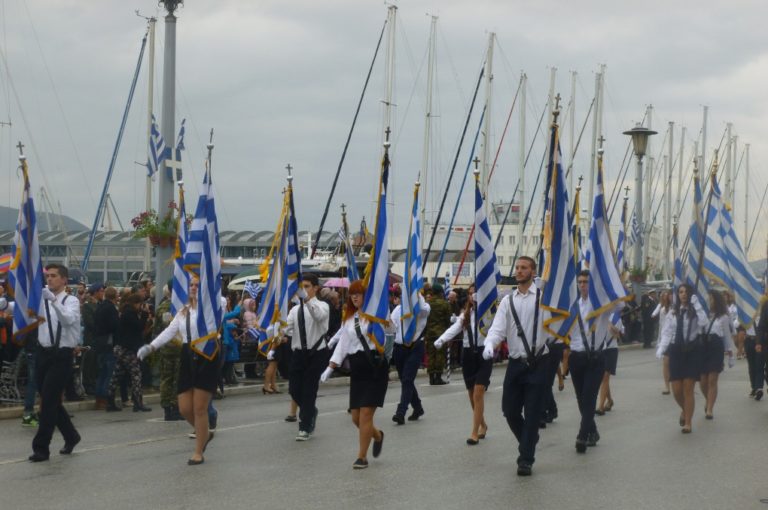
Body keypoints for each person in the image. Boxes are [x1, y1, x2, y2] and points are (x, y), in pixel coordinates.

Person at [138, 277, 218, 465]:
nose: (193, 288)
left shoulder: (212, 308)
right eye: (191, 284)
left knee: (199, 408)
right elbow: (169, 332)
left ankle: (198, 451)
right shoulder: (183, 311)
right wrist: (150, 347)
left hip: (206, 354)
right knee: (184, 408)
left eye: (197, 285)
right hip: (187, 354)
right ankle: (204, 433)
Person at [483, 256, 550, 476]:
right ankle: (528, 439)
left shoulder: (543, 299)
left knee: (532, 414)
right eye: (518, 268)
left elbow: (556, 326)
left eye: (524, 268)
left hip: (538, 363)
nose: (519, 271)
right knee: (509, 411)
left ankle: (526, 458)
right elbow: (497, 329)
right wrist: (490, 344)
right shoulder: (507, 301)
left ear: (533, 271)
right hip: (515, 363)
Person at [320, 280, 389, 469]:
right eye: (352, 294)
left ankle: (362, 456)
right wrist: (330, 367)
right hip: (357, 369)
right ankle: (377, 435)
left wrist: (387, 323)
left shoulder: (377, 315)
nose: (355, 297)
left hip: (374, 366)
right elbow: (343, 346)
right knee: (356, 418)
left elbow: (390, 332)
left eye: (359, 293)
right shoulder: (349, 319)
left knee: (366, 414)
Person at [29, 264, 82, 462]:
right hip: (43, 353)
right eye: (48, 276)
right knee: (50, 400)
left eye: (54, 276)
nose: (49, 279)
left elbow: (68, 320)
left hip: (61, 355)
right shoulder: (41, 300)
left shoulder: (72, 300)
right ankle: (71, 436)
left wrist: (54, 302)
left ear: (64, 280)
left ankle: (41, 448)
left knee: (48, 403)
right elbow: (26, 313)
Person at [568, 271, 620, 453]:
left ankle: (582, 436)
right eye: (580, 282)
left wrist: (608, 285)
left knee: (589, 398)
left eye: (586, 282)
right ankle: (593, 431)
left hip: (596, 357)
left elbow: (620, 304)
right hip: (576, 357)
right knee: (581, 398)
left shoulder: (601, 303)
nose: (583, 285)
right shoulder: (572, 305)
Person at [434, 284, 492, 444]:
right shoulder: (466, 313)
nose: (473, 296)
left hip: (484, 353)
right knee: (472, 394)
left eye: (476, 293)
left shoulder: (489, 313)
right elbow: (455, 328)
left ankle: (474, 432)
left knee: (478, 392)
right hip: (468, 354)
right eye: (471, 293)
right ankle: (483, 425)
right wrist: (441, 339)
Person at [283, 273, 330, 441]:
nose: (304, 290)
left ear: (315, 288)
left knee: (309, 390)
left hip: (317, 353)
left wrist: (307, 300)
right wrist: (275, 330)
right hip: (299, 354)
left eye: (307, 286)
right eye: (302, 287)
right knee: (294, 389)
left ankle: (304, 427)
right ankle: (310, 411)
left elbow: (318, 316)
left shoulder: (323, 306)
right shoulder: (295, 310)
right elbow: (287, 329)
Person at [656, 283, 706, 433]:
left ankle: (688, 423)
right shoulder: (673, 312)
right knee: (677, 390)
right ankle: (685, 409)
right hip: (676, 352)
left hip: (691, 352)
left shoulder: (696, 311)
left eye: (686, 292)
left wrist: (697, 305)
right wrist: (661, 348)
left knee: (688, 389)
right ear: (678, 295)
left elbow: (704, 324)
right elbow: (667, 332)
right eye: (680, 292)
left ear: (691, 294)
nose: (683, 294)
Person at [389, 287, 430, 425]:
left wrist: (416, 292)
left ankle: (401, 412)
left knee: (407, 379)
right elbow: (391, 328)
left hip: (415, 347)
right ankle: (418, 408)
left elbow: (423, 309)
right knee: (405, 380)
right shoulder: (397, 310)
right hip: (400, 348)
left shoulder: (423, 308)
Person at [700, 290, 735, 419]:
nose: (709, 301)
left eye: (711, 299)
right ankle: (708, 399)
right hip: (703, 347)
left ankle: (710, 409)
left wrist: (730, 355)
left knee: (712, 379)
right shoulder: (703, 314)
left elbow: (726, 336)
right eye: (708, 299)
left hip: (716, 347)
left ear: (717, 300)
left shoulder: (723, 317)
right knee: (703, 380)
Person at [154, 284, 183, 421]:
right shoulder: (181, 307)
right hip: (178, 349)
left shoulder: (161, 307)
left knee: (166, 379)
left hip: (166, 349)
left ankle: (167, 409)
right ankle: (175, 408)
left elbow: (157, 329)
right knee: (178, 379)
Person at [93, 287, 119, 410]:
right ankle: (105, 398)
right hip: (108, 341)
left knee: (101, 372)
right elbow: (114, 326)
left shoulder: (99, 306)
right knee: (109, 372)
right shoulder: (111, 308)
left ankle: (98, 398)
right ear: (114, 296)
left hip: (99, 341)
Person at [424, 284, 451, 385]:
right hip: (441, 333)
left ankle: (431, 378)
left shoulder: (427, 304)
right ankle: (438, 377)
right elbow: (448, 320)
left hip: (429, 333)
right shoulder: (445, 304)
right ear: (440, 292)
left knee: (431, 355)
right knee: (440, 355)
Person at [652, 290, 673, 395]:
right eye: (666, 296)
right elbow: (662, 326)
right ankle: (667, 386)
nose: (668, 297)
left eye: (669, 295)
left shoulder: (679, 309)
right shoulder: (663, 310)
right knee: (666, 361)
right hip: (666, 338)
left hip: (677, 339)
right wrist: (659, 341)